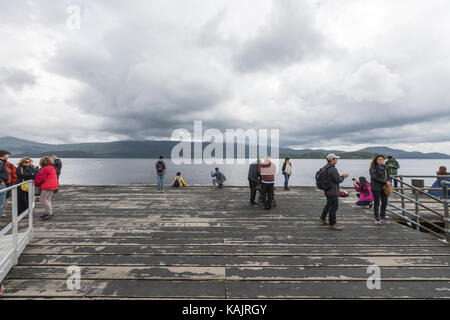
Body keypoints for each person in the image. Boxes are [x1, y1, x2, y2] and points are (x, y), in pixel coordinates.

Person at [319, 154, 348, 230]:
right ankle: (332, 224)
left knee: (328, 205)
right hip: (332, 191)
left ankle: (322, 218)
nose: (337, 160)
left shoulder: (325, 167)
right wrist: (343, 176)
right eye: (336, 159)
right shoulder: (333, 169)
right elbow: (338, 180)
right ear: (332, 160)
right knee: (333, 208)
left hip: (327, 190)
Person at [370, 154, 392, 225]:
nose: (380, 161)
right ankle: (377, 218)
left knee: (384, 202)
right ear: (376, 160)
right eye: (379, 159)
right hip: (376, 188)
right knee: (377, 203)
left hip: (384, 188)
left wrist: (388, 182)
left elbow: (388, 176)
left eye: (382, 159)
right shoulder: (373, 168)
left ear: (384, 160)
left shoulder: (385, 167)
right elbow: (374, 178)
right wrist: (385, 182)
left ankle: (383, 217)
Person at [0, 150, 11, 221]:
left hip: (4, 184)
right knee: (1, 204)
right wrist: (1, 181)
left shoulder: (2, 163)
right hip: (1, 185)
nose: (8, 156)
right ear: (3, 155)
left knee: (2, 203)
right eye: (7, 154)